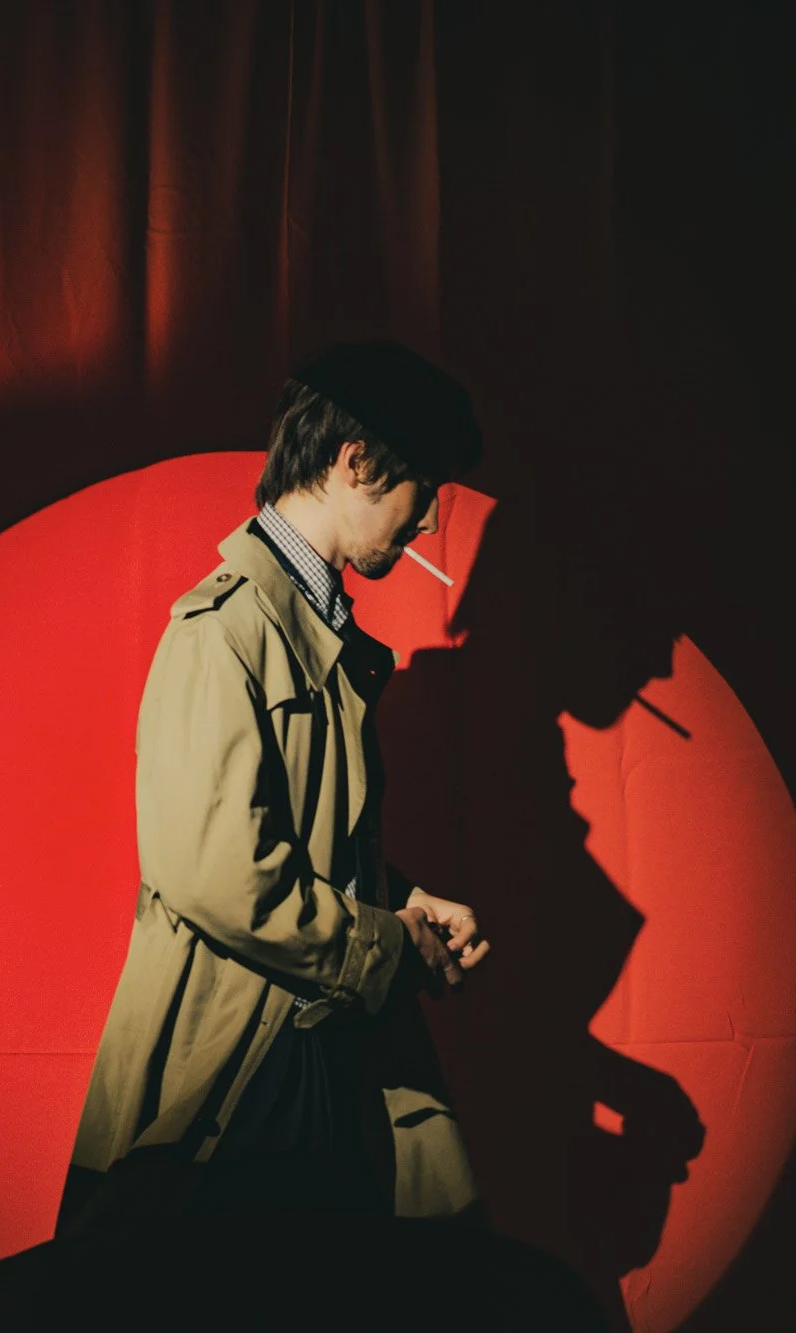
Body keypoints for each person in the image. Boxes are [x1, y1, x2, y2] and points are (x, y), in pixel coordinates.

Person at [56, 342, 491, 1235]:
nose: (428, 525)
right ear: (356, 462)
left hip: (321, 1054)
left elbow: (303, 838)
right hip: (244, 1076)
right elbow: (218, 874)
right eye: (424, 491)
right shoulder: (222, 630)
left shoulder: (317, 629)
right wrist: (389, 944)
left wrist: (402, 900)